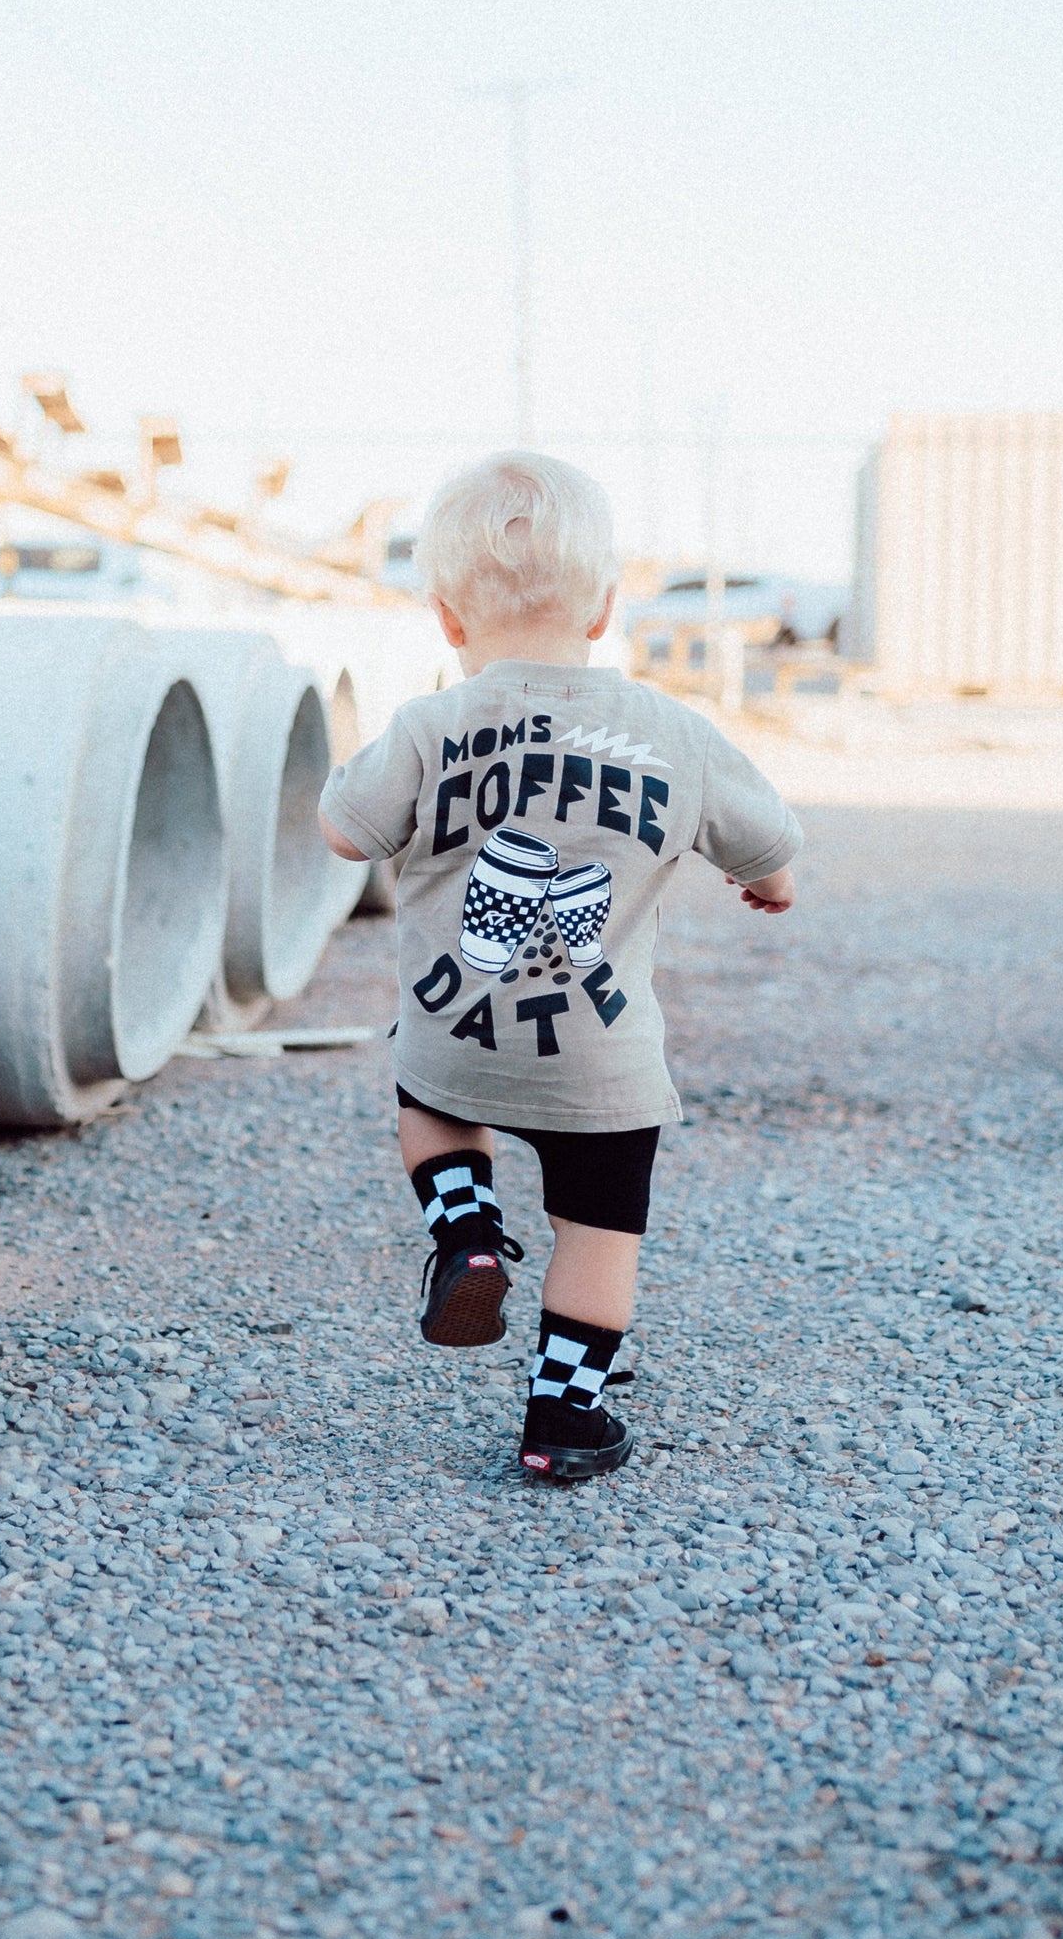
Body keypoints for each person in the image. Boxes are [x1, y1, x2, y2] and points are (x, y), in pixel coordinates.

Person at [318, 452, 800, 1481]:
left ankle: (466, 1232)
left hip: (460, 1028)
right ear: (606, 608)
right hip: (600, 1057)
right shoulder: (674, 734)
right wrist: (769, 883)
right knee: (598, 1233)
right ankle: (561, 1418)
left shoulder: (429, 724)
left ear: (446, 618)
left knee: (426, 1092)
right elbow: (767, 846)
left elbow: (344, 833)